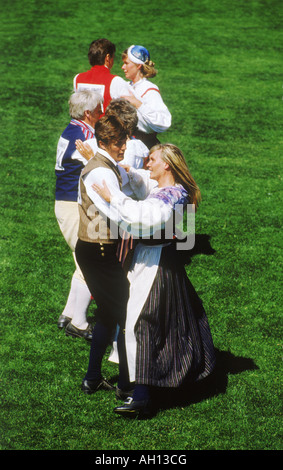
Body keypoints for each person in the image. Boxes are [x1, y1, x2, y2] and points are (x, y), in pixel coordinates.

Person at [91, 143, 216, 418]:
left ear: (167, 165)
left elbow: (143, 217)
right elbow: (144, 182)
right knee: (157, 324)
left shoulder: (170, 195)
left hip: (156, 263)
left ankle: (142, 397)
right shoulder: (174, 190)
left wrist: (112, 197)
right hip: (157, 259)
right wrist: (126, 171)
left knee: (141, 323)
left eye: (152, 159)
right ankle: (136, 386)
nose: (147, 164)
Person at [75, 115, 132, 396]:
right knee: (126, 314)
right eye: (118, 142)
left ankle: (93, 377)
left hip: (95, 249)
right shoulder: (101, 172)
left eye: (124, 140)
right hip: (98, 251)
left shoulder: (104, 164)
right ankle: (126, 385)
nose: (124, 146)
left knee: (109, 315)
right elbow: (118, 213)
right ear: (103, 142)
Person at [55, 90, 103, 341]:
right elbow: (97, 162)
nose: (102, 113)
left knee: (81, 259)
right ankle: (80, 323)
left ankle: (69, 313)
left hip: (65, 203)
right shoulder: (84, 134)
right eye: (98, 109)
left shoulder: (71, 128)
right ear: (88, 113)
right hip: (72, 204)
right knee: (89, 260)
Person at [121, 45, 172, 149]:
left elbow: (163, 122)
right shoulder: (126, 86)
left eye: (126, 63)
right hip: (125, 143)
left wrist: (138, 104)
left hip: (145, 146)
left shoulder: (149, 90)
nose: (123, 67)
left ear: (138, 65)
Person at [73, 38, 129, 114]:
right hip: (104, 125)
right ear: (108, 58)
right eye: (113, 57)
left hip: (82, 125)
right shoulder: (116, 81)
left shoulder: (77, 78)